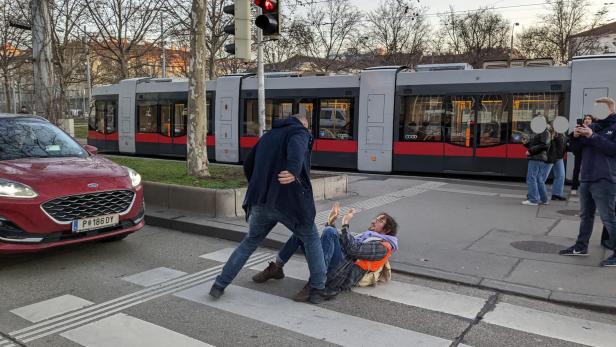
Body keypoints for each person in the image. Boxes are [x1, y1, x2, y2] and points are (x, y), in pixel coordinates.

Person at [209, 114, 336, 303]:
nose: (307, 131)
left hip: (261, 201)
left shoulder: (268, 135)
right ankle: (318, 288)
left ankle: (219, 285)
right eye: (307, 128)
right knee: (311, 239)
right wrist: (293, 170)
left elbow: (249, 163)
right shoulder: (298, 131)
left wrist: (259, 184)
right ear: (303, 124)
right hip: (289, 203)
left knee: (249, 243)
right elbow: (297, 149)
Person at [252, 202, 399, 303]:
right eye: (377, 218)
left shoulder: (383, 246)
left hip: (341, 273)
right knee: (301, 233)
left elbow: (353, 249)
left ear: (386, 230)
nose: (374, 221)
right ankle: (277, 268)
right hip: (338, 262)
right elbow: (341, 242)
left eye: (380, 221)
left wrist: (345, 223)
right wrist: (332, 221)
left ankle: (316, 284)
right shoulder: (368, 236)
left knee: (328, 232)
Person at [559, 97, 616, 267]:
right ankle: (581, 246)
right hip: (587, 178)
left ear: (611, 109)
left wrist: (592, 136)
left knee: (608, 218)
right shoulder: (591, 126)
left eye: (604, 107)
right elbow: (575, 150)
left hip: (605, 179)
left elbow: (612, 150)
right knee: (586, 216)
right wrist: (575, 137)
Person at [521, 116, 552, 206]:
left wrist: (530, 151)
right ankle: (544, 199)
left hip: (536, 157)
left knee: (531, 178)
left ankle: (533, 199)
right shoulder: (542, 131)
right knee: (539, 179)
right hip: (538, 157)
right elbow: (538, 145)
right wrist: (526, 144)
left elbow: (543, 145)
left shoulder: (544, 132)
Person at [570, 115, 594, 194]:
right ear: (583, 121)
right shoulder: (579, 128)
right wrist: (575, 135)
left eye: (589, 119)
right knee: (576, 169)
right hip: (579, 151)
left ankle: (590, 187)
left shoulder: (594, 129)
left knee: (590, 169)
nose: (587, 120)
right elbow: (571, 138)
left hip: (590, 152)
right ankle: (574, 187)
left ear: (592, 121)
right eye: (585, 119)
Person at [547, 124, 567, 201]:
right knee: (542, 176)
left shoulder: (563, 135)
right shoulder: (552, 133)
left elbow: (564, 146)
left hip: (559, 158)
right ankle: (534, 193)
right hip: (551, 158)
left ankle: (556, 194)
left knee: (561, 176)